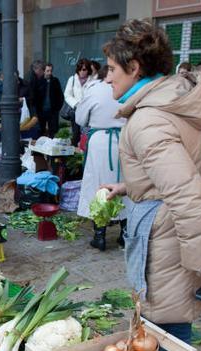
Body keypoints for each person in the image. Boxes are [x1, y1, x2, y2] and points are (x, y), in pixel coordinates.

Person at [100, 20, 201, 345]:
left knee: (166, 332)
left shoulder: (148, 119)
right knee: (167, 322)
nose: (107, 77)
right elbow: (180, 170)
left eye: (111, 69)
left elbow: (186, 193)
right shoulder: (169, 101)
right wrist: (128, 187)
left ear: (134, 68)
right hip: (174, 226)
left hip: (170, 236)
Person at [75, 64, 128, 251]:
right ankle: (124, 235)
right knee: (126, 184)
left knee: (99, 185)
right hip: (125, 140)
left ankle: (100, 236)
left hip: (100, 142)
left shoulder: (95, 89)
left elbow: (80, 118)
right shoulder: (130, 87)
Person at [64, 59, 93, 147]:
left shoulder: (92, 80)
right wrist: (76, 104)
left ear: (88, 70)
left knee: (86, 133)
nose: (82, 71)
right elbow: (67, 95)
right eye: (80, 69)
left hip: (88, 111)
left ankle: (84, 150)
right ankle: (75, 153)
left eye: (84, 69)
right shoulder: (72, 79)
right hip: (75, 110)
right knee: (75, 133)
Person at [33, 63, 64, 138]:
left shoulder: (55, 81)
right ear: (44, 71)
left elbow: (60, 96)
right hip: (41, 111)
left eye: (51, 71)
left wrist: (57, 108)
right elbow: (34, 96)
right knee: (40, 131)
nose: (49, 73)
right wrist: (36, 110)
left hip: (52, 111)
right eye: (48, 71)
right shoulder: (38, 81)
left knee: (53, 131)